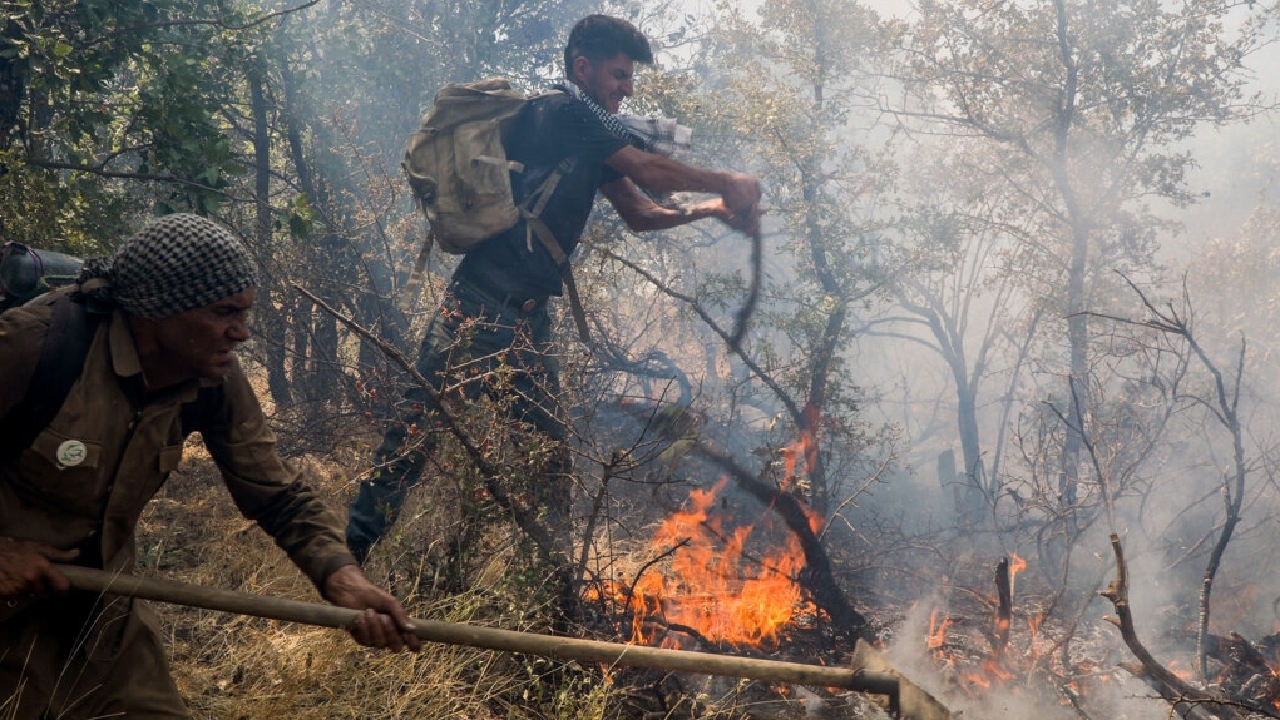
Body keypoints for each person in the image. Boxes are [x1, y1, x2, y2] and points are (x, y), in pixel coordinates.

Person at [346, 14, 763, 563]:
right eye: (618, 74)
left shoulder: (593, 139)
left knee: (548, 458)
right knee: (416, 434)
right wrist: (724, 181)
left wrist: (708, 210)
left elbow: (639, 212)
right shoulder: (563, 113)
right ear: (582, 68)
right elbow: (647, 169)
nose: (627, 88)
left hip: (528, 319)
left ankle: (552, 583)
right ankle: (350, 559)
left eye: (630, 77)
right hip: (477, 305)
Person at [0, 213, 420, 720]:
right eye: (225, 312)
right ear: (161, 309)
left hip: (103, 619)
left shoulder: (212, 377)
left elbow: (278, 495)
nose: (241, 334)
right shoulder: (35, 345)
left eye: (244, 313)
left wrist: (341, 578)